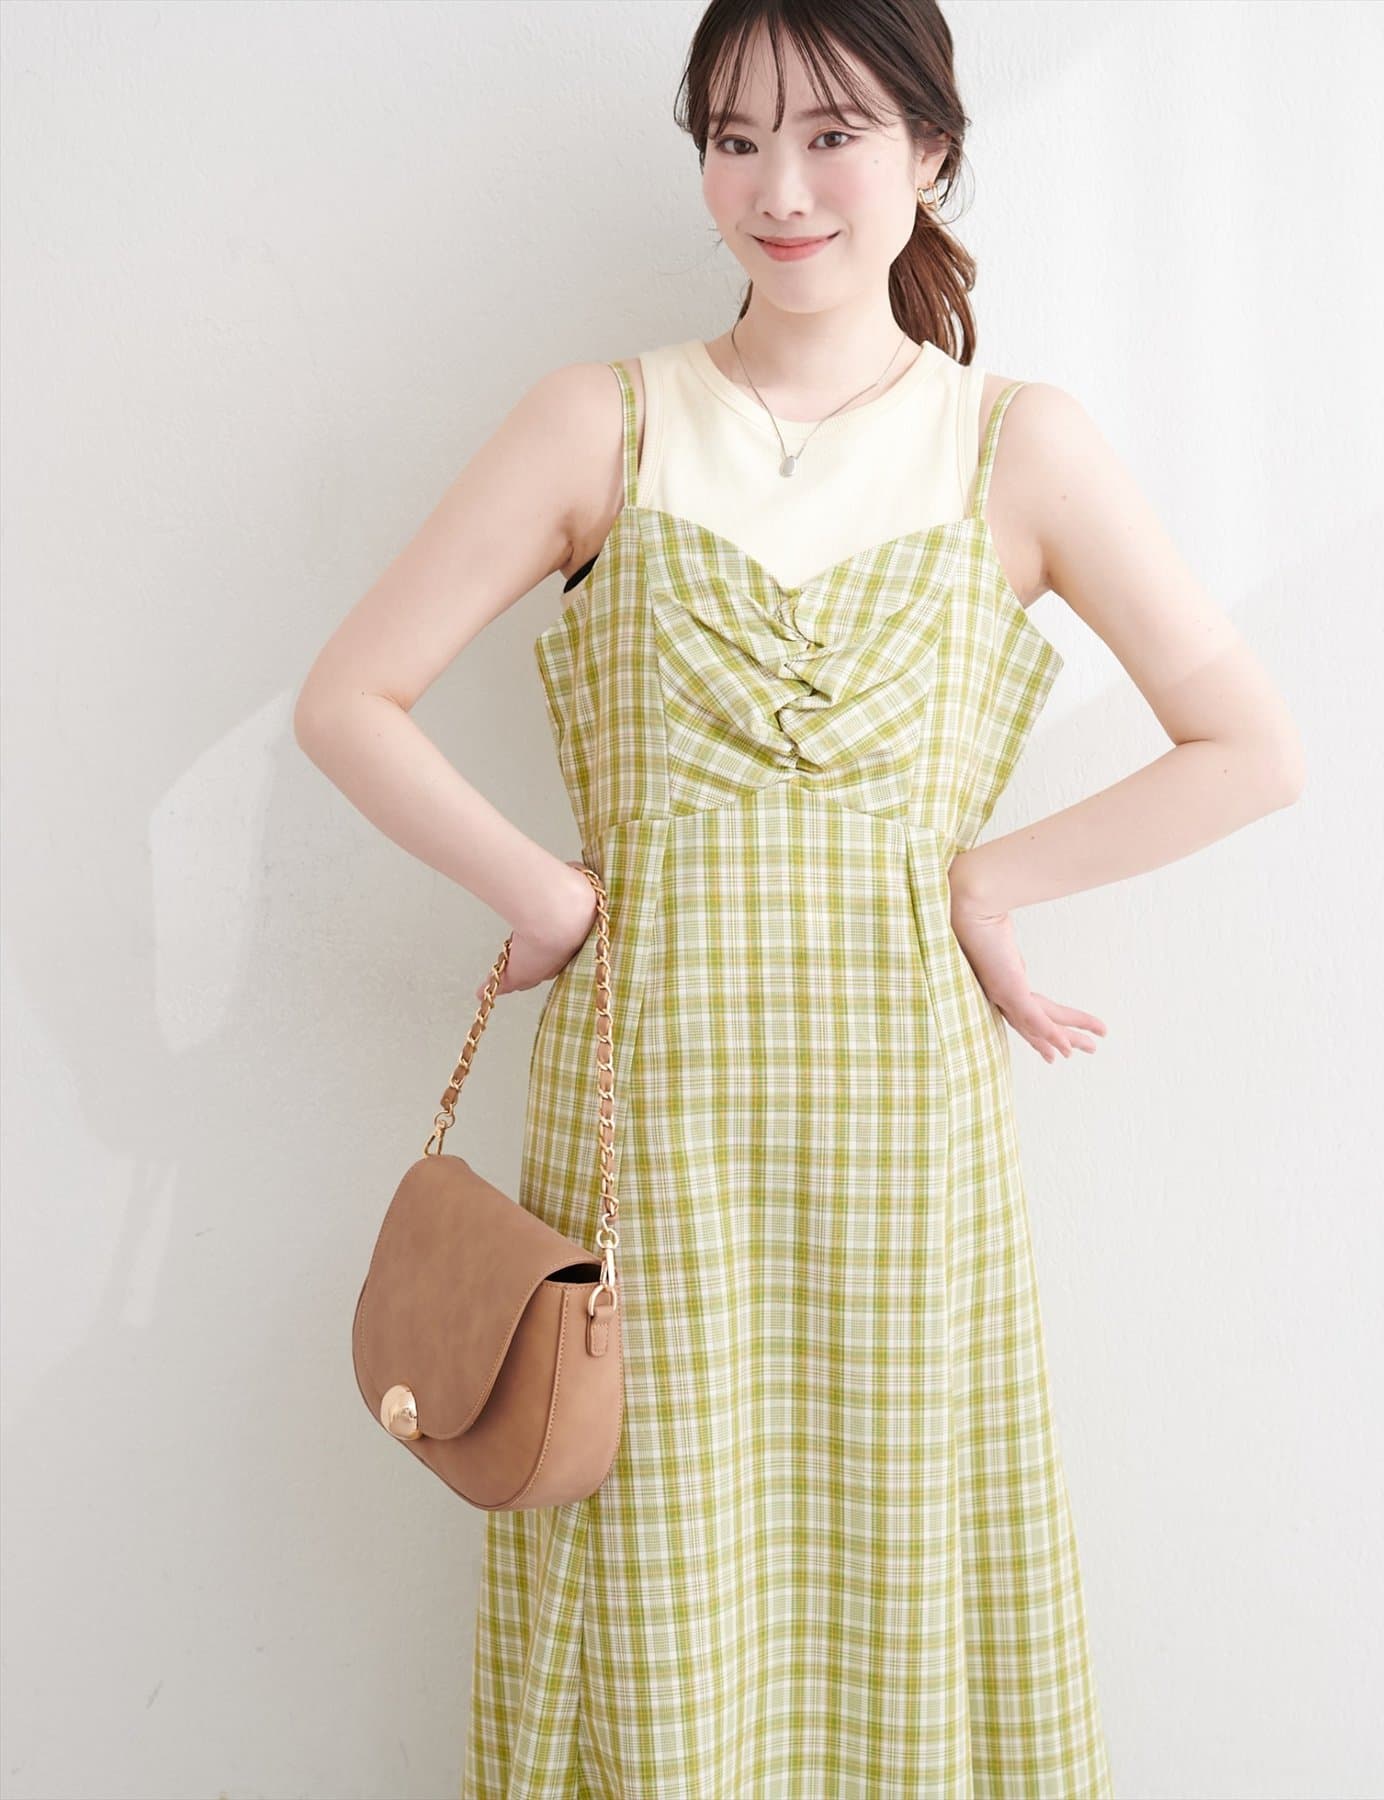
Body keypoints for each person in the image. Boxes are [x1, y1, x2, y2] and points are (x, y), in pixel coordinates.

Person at [294, 3, 1304, 1794]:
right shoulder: (600, 422)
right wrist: (549, 894)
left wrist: (985, 876)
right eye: (735, 138)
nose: (780, 187)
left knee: (897, 1554)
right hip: (648, 1123)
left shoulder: (1020, 445)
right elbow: (347, 700)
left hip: (905, 1130)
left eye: (833, 133)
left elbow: (1250, 748)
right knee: (642, 1563)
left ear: (931, 150)